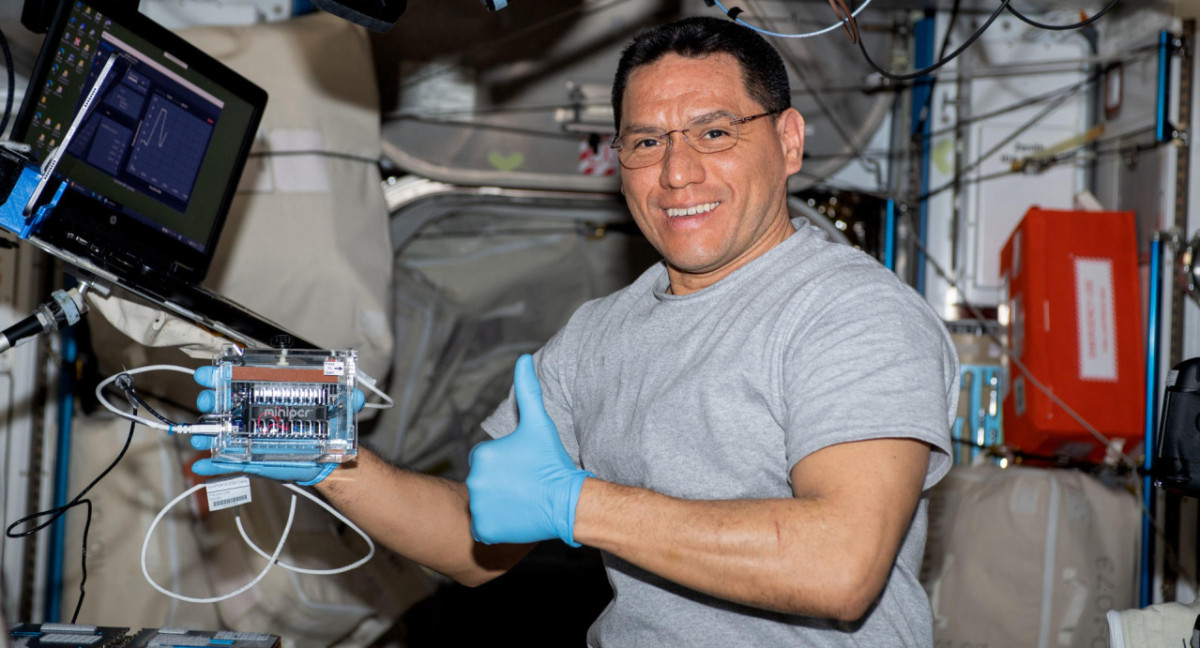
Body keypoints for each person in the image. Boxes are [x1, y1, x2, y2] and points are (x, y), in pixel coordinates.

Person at [194, 15, 958, 646]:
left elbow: (839, 567)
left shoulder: (854, 312)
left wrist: (576, 504)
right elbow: (475, 540)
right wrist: (331, 460)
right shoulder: (600, 334)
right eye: (645, 141)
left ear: (789, 142)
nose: (677, 172)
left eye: (714, 132)